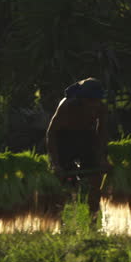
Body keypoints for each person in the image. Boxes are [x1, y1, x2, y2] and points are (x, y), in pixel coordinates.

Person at [46, 77, 110, 225]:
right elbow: (51, 133)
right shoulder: (66, 106)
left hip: (87, 137)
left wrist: (102, 158)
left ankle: (93, 221)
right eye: (91, 101)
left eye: (97, 100)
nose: (94, 104)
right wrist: (55, 163)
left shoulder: (101, 108)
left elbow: (102, 133)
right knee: (60, 182)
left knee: (96, 179)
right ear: (82, 99)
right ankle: (58, 223)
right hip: (64, 139)